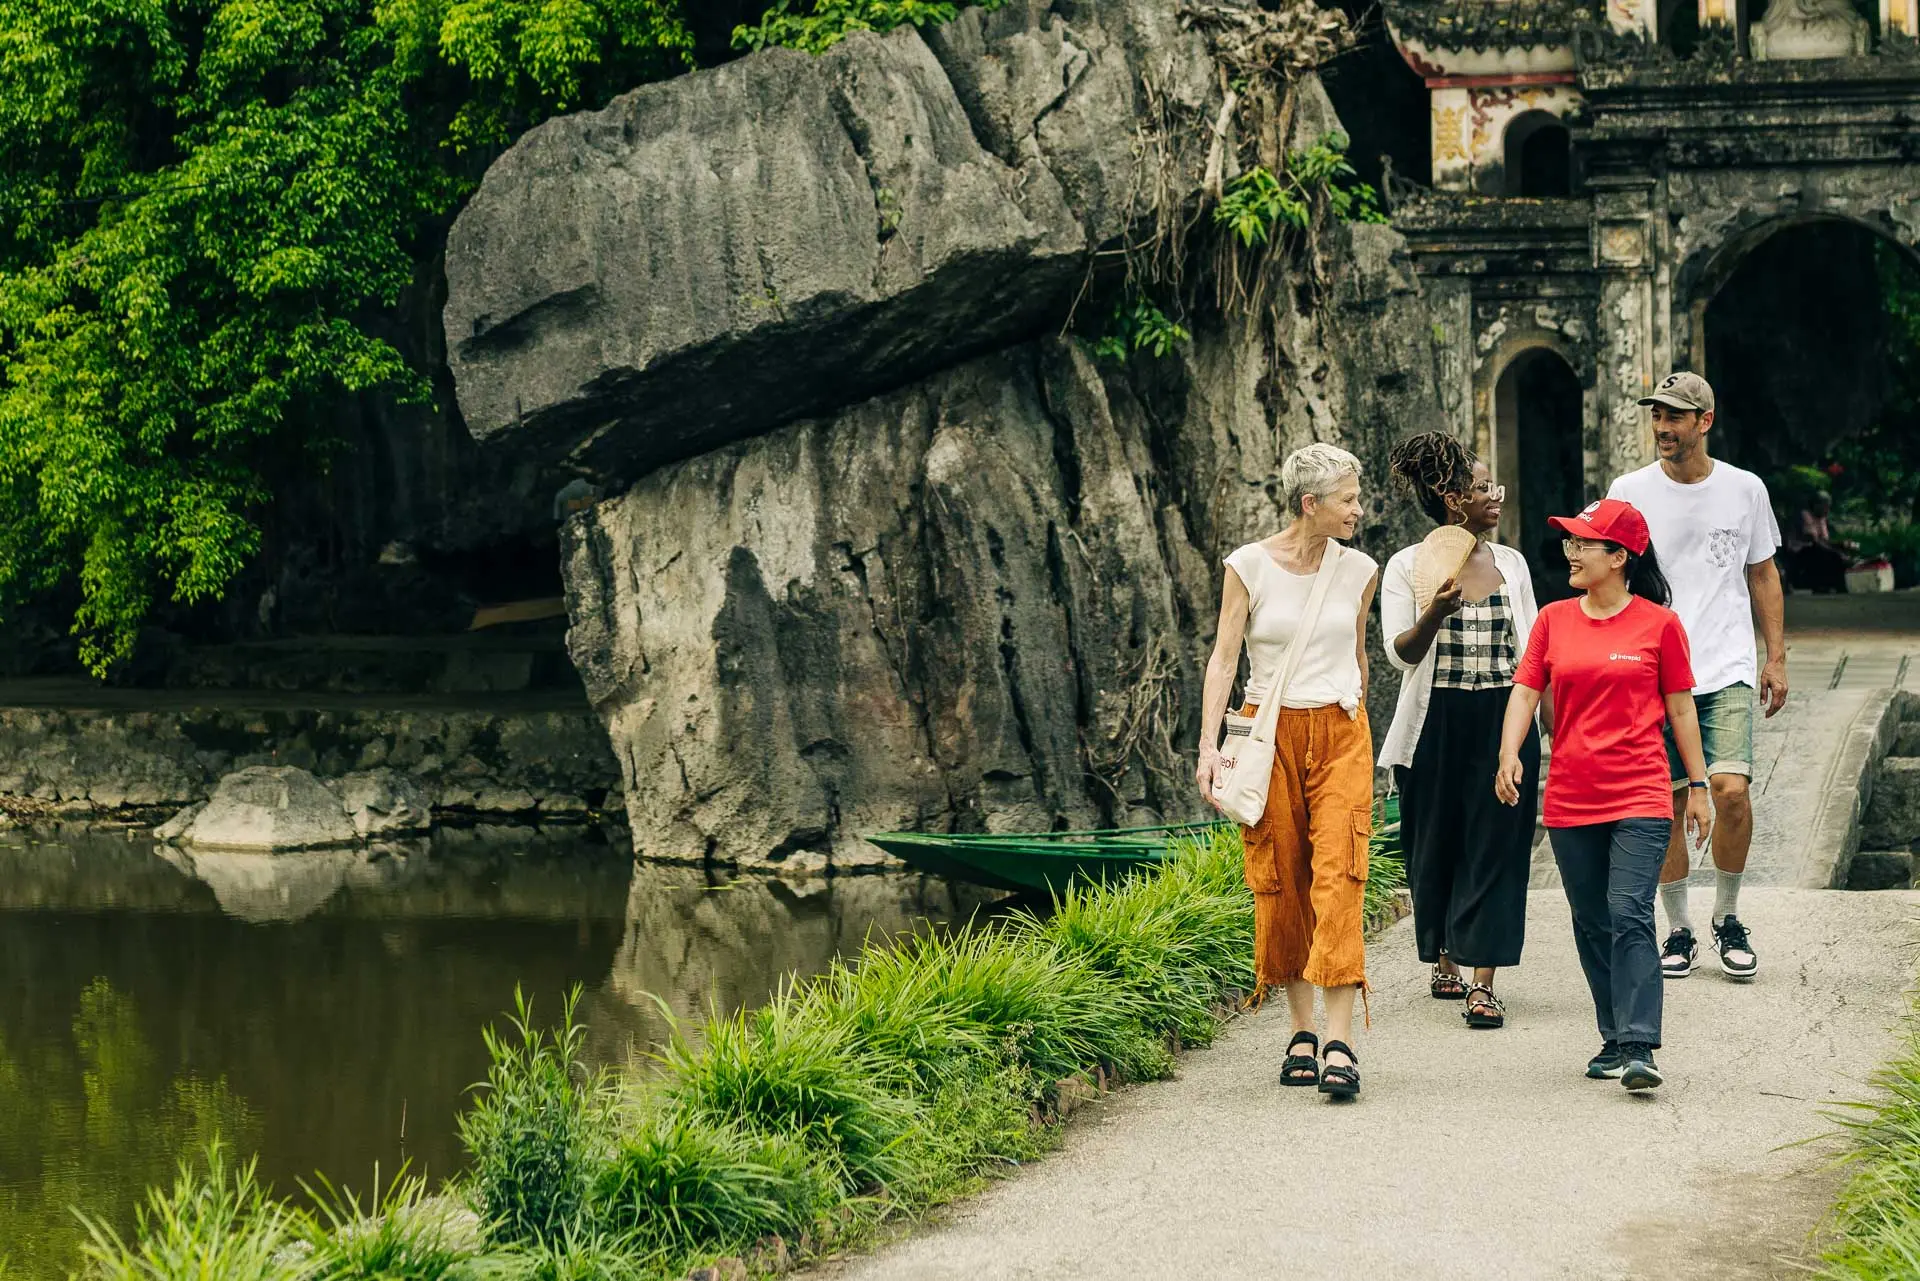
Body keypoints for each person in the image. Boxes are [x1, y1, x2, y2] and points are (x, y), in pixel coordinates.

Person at [1497, 498, 1712, 1092]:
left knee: (1628, 911)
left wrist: (1697, 786)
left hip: (1640, 792)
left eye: (1582, 544)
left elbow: (1679, 708)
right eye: (1569, 543)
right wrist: (1509, 752)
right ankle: (1613, 1037)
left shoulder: (1659, 625)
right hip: (1570, 796)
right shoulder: (1553, 620)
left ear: (1619, 557)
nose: (1570, 553)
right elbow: (1524, 691)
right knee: (1591, 919)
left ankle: (1641, 1043)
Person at [1196, 443, 1380, 1099]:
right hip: (1266, 733)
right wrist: (1208, 747)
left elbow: (1357, 655)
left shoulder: (1360, 569)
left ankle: (1339, 1041)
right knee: (1281, 874)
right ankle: (1300, 1028)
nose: (1360, 509)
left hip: (1338, 732)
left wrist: (1357, 717)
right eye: (1349, 499)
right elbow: (1223, 659)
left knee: (1340, 872)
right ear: (1311, 504)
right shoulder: (1247, 566)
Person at [1606, 372, 1787, 982]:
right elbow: (1605, 570)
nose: (1662, 427)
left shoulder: (1745, 488)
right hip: (1650, 672)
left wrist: (1776, 656)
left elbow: (1762, 573)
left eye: (1675, 417)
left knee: (1731, 790)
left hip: (1725, 665)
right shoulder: (1628, 491)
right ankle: (1679, 930)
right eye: (1657, 415)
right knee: (1668, 802)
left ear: (1704, 422)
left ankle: (1728, 918)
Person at [1381, 433, 1541, 1029]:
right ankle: (1444, 954)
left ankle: (1483, 981)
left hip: (1504, 720)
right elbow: (1401, 654)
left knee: (1497, 843)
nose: (1495, 497)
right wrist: (1434, 612)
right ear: (1452, 500)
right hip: (1435, 724)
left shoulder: (1513, 564)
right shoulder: (1407, 565)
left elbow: (1531, 656)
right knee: (1435, 842)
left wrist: (1541, 729)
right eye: (1482, 488)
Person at [1784, 491, 1852, 594]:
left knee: (1835, 552)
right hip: (1799, 551)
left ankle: (1832, 585)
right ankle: (1830, 585)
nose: (1827, 510)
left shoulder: (1821, 518)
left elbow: (1824, 540)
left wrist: (1841, 545)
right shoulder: (1805, 515)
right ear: (1816, 505)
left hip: (1814, 548)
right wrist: (1836, 552)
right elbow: (1813, 540)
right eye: (1825, 507)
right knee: (1827, 553)